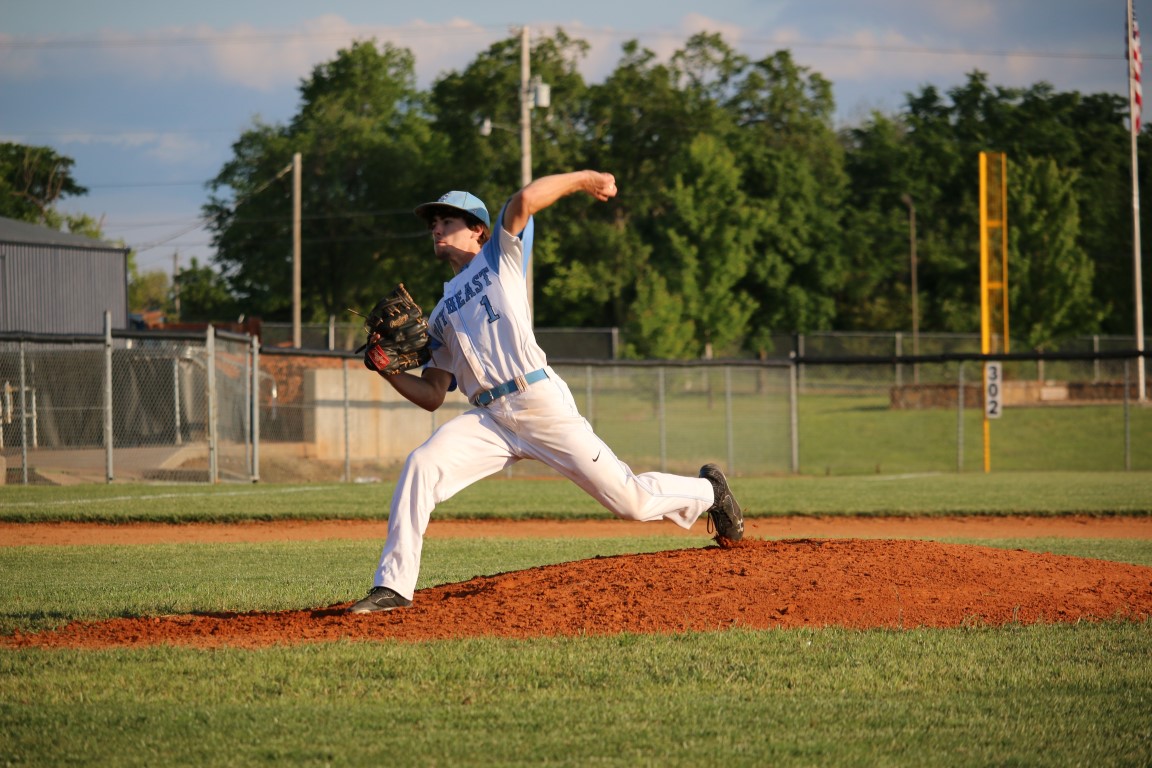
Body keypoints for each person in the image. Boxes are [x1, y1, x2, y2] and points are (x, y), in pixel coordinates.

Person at [349, 170, 743, 613]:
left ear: (477, 229)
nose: (436, 228)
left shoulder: (498, 257)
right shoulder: (439, 315)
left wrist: (586, 179)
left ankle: (710, 493)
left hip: (538, 401)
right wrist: (386, 371)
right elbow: (432, 395)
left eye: (447, 220)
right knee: (422, 464)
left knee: (631, 502)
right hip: (490, 419)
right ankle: (393, 586)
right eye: (433, 223)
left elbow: (523, 201)